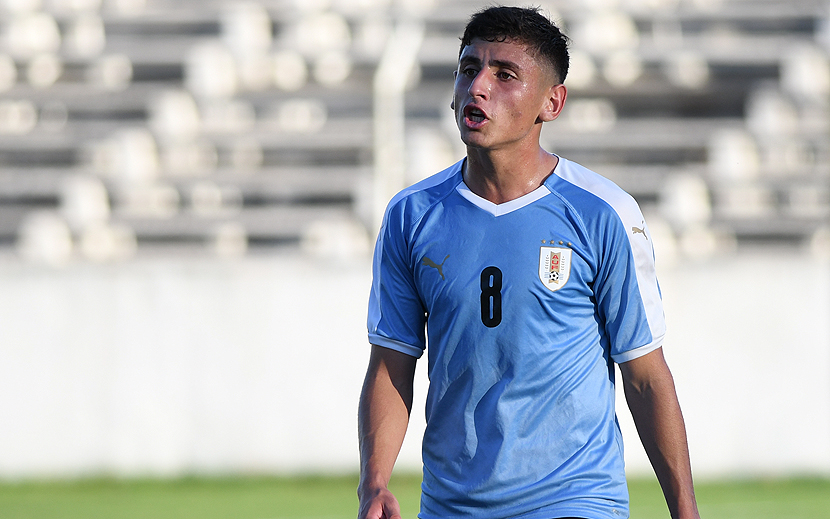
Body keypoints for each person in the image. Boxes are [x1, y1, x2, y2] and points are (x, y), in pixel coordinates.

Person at [358, 6, 700, 519]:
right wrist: (375, 484)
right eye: (469, 68)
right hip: (451, 506)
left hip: (575, 499)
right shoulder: (413, 215)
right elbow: (391, 363)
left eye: (505, 75)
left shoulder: (601, 214)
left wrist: (685, 510)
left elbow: (646, 375)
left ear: (551, 102)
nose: (477, 87)